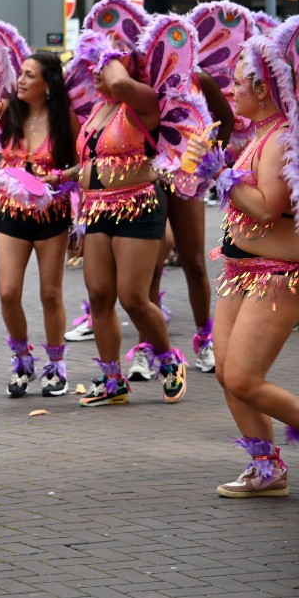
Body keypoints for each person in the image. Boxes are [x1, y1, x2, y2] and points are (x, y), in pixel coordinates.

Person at [187, 36, 299, 497]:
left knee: (243, 378)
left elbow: (268, 207)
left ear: (264, 88)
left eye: (237, 85)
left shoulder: (280, 140)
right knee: (227, 373)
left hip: (276, 274)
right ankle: (265, 467)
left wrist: (220, 173)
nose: (230, 92)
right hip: (240, 274)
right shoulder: (260, 136)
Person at [75, 39, 187, 408]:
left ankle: (170, 362)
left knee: (134, 298)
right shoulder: (98, 109)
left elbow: (121, 84)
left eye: (105, 64)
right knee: (99, 297)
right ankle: (112, 380)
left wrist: (108, 52)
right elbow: (97, 159)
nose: (97, 70)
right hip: (96, 209)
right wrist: (67, 176)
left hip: (137, 206)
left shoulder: (142, 101)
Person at [129, 69, 235, 381]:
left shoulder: (199, 79)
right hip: (150, 178)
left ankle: (205, 338)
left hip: (189, 179)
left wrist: (209, 160)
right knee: (151, 265)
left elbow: (225, 119)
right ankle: (147, 346)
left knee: (194, 261)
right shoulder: (141, 80)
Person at [0, 52, 80, 397]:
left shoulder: (65, 121)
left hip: (51, 215)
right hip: (11, 214)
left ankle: (56, 365)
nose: (22, 81)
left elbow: (83, 163)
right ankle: (21, 358)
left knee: (50, 293)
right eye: (21, 74)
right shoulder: (8, 112)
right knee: (8, 292)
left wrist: (57, 176)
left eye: (30, 75)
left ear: (48, 85)